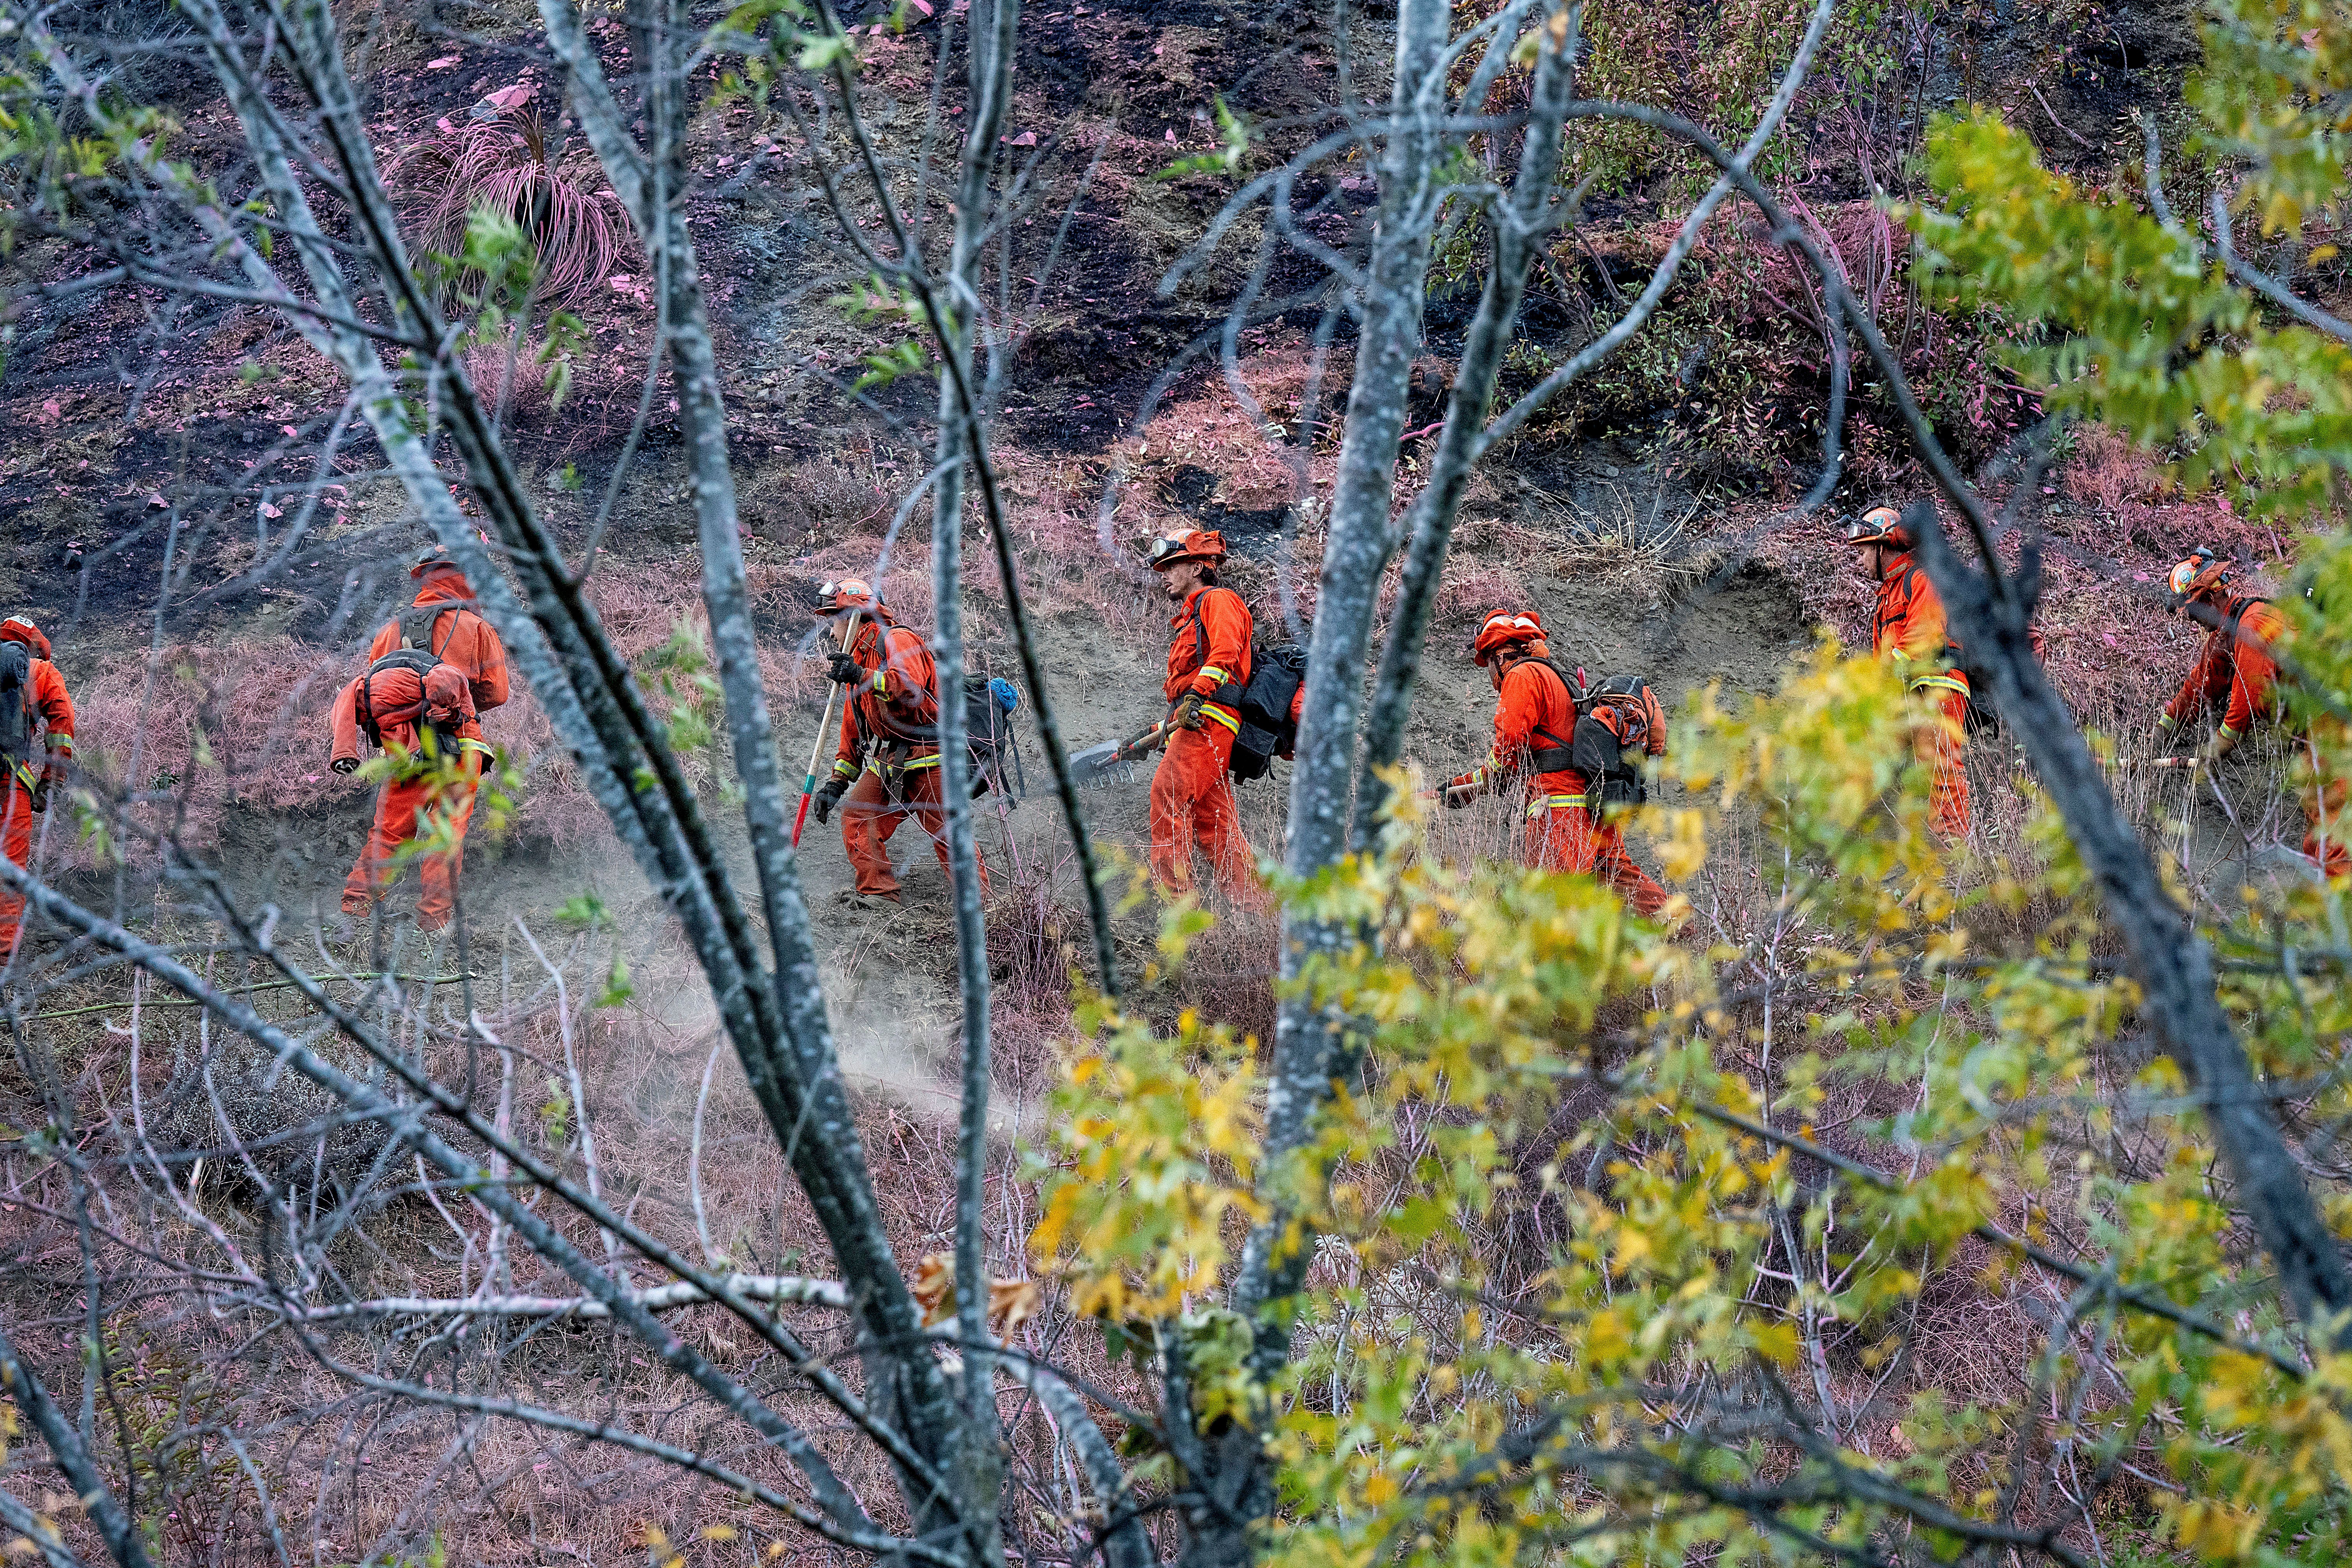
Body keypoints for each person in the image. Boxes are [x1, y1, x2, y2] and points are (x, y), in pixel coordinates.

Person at [1442, 608, 1669, 916]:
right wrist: (1461, 787)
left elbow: (1510, 745)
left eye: (1489, 666)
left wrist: (1472, 786)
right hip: (1594, 806)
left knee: (1551, 907)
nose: (1492, 677)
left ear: (1498, 656)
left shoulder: (1522, 676)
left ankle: (1558, 961)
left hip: (1559, 811)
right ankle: (1686, 930)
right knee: (1622, 880)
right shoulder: (1555, 677)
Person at [330, 546, 510, 932]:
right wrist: (457, 701)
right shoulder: (477, 627)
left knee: (391, 830)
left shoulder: (390, 630)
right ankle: (433, 922)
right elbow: (497, 693)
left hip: (405, 746)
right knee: (446, 832)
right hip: (461, 745)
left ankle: (355, 911)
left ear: (425, 578)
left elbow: (380, 688)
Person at [2154, 549, 2344, 876]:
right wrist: (2161, 729)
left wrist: (2216, 749)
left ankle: (2338, 905)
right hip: (2316, 724)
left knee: (2332, 820)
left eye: (2191, 609)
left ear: (2212, 598)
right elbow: (2202, 686)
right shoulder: (2229, 632)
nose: (2190, 620)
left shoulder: (2254, 626)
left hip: (2334, 721)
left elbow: (2244, 706)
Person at [808, 578, 983, 906]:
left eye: (834, 622)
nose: (831, 633)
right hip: (895, 759)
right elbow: (854, 731)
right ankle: (879, 894)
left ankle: (984, 908)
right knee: (858, 817)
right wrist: (836, 784)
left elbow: (910, 687)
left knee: (949, 834)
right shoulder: (856, 665)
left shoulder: (897, 639)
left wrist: (862, 676)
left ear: (855, 615)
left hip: (932, 753)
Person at [1844, 505, 1970, 840]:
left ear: (1883, 546)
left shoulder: (1921, 579)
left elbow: (1922, 637)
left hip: (1938, 688)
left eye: (1863, 550)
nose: (1858, 560)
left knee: (1941, 771)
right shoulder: (1886, 600)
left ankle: (1953, 855)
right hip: (1908, 697)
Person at [1144, 529, 1258, 900]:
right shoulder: (1191, 617)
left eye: (1170, 566)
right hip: (1199, 722)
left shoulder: (1219, 601)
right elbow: (1186, 692)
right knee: (1216, 824)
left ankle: (1179, 909)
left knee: (1168, 796)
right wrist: (1161, 729)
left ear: (1197, 566)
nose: (1164, 575)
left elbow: (1224, 654)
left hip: (1209, 720)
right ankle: (1259, 912)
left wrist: (1196, 696)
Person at [0, 616, 75, 958]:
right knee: (10, 877)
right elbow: (62, 724)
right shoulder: (40, 672)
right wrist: (50, 785)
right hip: (10, 786)